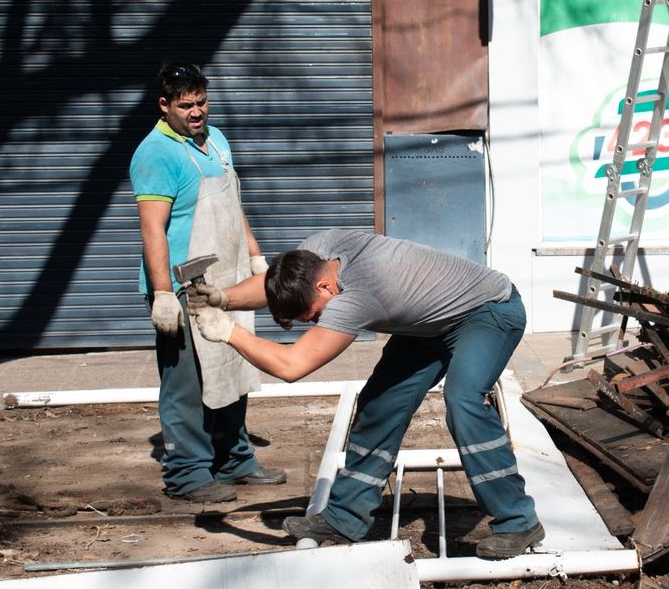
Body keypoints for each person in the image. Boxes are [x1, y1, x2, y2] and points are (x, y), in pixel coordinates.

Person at [186, 230, 543, 558]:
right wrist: (223, 298)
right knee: (379, 405)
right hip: (430, 323)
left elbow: (291, 366)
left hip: (489, 309)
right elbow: (274, 283)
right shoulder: (315, 253)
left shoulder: (360, 295)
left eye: (314, 315)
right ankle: (345, 518)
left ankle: (518, 521)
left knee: (463, 400)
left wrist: (230, 332)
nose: (316, 324)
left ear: (325, 288)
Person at [130, 61, 286, 503]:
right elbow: (152, 229)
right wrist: (163, 294)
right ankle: (188, 474)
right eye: (186, 106)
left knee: (232, 367)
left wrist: (255, 256)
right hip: (182, 287)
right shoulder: (155, 154)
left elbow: (233, 204)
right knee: (187, 383)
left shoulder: (216, 140)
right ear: (164, 105)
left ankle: (234, 459)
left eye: (201, 102)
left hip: (225, 280)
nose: (196, 112)